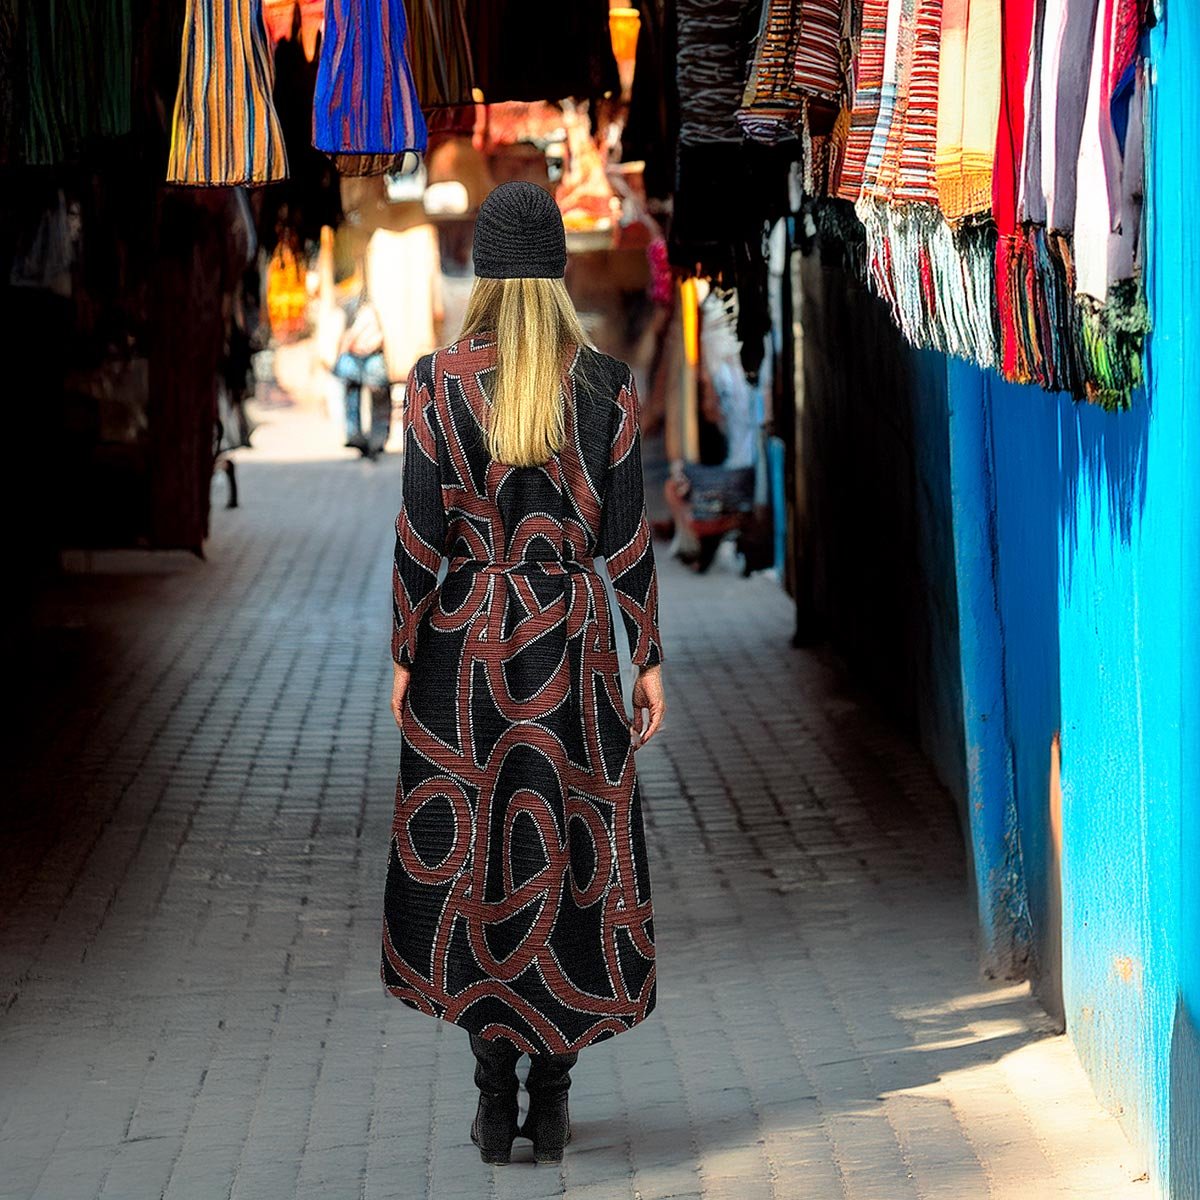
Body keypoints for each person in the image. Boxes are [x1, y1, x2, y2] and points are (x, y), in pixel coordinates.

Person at [382, 181, 667, 1166]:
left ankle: (490, 1098)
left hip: (464, 652)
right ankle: (552, 1099)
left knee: (475, 866)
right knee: (570, 859)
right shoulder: (606, 385)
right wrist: (647, 656)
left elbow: (420, 534)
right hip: (573, 651)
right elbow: (627, 541)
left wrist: (404, 648)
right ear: (557, 272)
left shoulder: (436, 382)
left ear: (482, 272)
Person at [333, 291, 391, 458]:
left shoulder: (353, 308)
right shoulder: (376, 308)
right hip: (374, 357)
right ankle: (376, 439)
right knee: (379, 400)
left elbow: (347, 336)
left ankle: (356, 435)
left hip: (358, 357)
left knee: (353, 397)